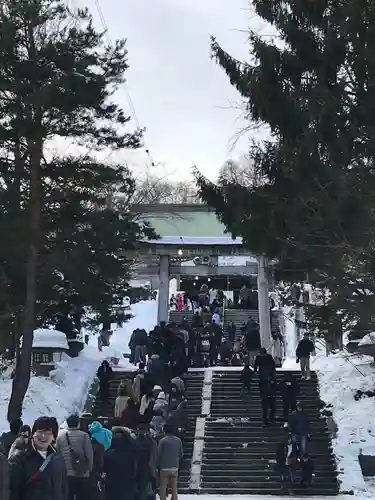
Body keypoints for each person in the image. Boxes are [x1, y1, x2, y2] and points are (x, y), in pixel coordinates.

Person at [9, 416, 67, 500]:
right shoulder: (20, 458)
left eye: (48, 433)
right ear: (33, 434)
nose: (43, 436)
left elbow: (63, 488)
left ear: (54, 437)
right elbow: (12, 491)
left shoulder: (57, 458)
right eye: (39, 431)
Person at [56, 414, 94, 500]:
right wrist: (89, 469)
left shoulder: (60, 437)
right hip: (82, 473)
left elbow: (57, 455)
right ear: (78, 423)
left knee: (67, 496)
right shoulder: (84, 436)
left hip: (65, 473)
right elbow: (89, 454)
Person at [104, 427, 137, 500]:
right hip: (127, 484)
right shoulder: (131, 453)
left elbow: (104, 469)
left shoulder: (108, 454)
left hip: (111, 485)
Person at [157, 425, 184, 500]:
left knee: (163, 486)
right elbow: (181, 454)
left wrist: (158, 465)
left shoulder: (162, 441)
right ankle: (174, 498)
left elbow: (159, 454)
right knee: (174, 486)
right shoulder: (178, 440)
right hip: (175, 467)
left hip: (164, 467)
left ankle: (163, 498)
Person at [134, 424, 158, 500]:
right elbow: (154, 457)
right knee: (147, 491)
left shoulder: (134, 442)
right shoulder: (151, 442)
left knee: (139, 492)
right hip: (148, 470)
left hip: (137, 470)